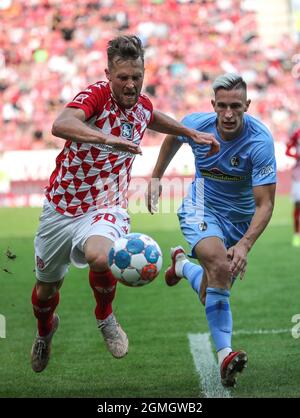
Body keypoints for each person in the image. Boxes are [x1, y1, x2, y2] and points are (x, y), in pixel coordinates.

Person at [30, 35, 220, 373]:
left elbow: (154, 116)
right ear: (109, 75)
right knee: (45, 292)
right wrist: (106, 137)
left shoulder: (141, 106)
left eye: (137, 77)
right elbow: (61, 124)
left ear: (144, 73)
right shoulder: (97, 96)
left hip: (107, 204)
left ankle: (105, 317)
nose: (131, 84)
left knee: (100, 255)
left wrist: (190, 134)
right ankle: (45, 332)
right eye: (123, 78)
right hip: (60, 208)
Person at [147, 73, 276, 388]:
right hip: (200, 207)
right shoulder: (196, 124)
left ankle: (181, 266)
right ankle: (225, 357)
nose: (228, 114)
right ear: (213, 106)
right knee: (219, 264)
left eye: (236, 106)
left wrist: (244, 245)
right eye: (222, 106)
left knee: (210, 291)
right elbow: (173, 137)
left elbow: (265, 205)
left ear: (247, 105)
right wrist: (156, 177)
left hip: (240, 220)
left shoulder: (260, 142)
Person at [285, 128, 300, 247]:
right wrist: (297, 155)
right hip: (298, 173)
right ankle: (296, 234)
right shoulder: (297, 133)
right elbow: (287, 151)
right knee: (297, 204)